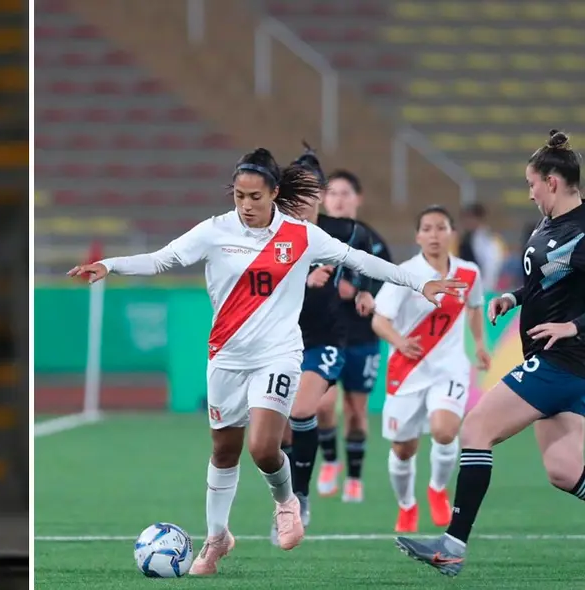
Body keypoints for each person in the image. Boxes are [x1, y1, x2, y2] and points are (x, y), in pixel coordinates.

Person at [67, 148, 465, 575]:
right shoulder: (215, 231)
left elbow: (360, 260)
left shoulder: (301, 235)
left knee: (262, 447)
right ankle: (217, 538)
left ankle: (286, 502)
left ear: (274, 193)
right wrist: (109, 264)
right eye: (239, 196)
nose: (246, 205)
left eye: (255, 196)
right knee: (224, 450)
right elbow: (161, 258)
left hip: (278, 355)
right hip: (226, 356)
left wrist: (419, 283)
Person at [396, 130, 585, 577]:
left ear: (552, 182)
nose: (530, 193)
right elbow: (546, 282)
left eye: (532, 184)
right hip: (558, 362)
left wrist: (573, 326)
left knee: (477, 426)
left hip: (561, 361)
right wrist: (514, 299)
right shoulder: (547, 225)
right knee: (564, 469)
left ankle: (452, 545)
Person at [270, 148, 379, 544]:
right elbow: (260, 282)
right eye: (295, 190)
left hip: (327, 338)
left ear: (320, 193)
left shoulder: (345, 231)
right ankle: (287, 500)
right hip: (280, 340)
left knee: (306, 408)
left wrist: (365, 290)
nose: (303, 198)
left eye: (310, 190)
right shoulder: (274, 233)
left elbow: (369, 256)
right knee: (277, 434)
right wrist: (303, 281)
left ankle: (301, 497)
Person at [371, 205, 489, 534]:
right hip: (407, 370)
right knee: (403, 448)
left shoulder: (469, 273)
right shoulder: (405, 274)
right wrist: (400, 341)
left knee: (445, 431)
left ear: (452, 233)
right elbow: (380, 320)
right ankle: (407, 504)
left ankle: (437, 489)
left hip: (449, 369)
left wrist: (480, 343)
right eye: (427, 229)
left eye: (440, 227)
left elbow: (475, 307)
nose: (434, 235)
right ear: (417, 236)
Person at [315, 170, 393, 503]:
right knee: (322, 405)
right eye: (332, 193)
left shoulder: (372, 240)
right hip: (323, 335)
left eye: (345, 193)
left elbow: (388, 280)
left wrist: (362, 291)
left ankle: (355, 477)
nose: (338, 200)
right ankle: (330, 460)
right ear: (322, 198)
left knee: (356, 410)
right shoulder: (314, 236)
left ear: (358, 199)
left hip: (362, 336)